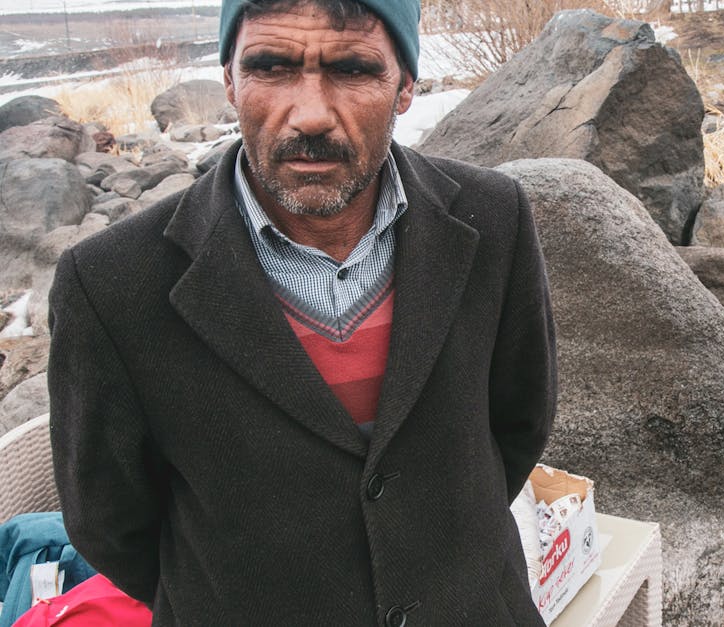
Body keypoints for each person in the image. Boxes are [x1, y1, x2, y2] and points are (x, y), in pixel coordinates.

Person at [46, 0, 556, 623]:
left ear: (405, 88)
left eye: (353, 69)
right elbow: (108, 521)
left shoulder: (493, 217)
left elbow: (519, 422)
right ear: (229, 80)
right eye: (271, 66)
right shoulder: (111, 284)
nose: (311, 114)